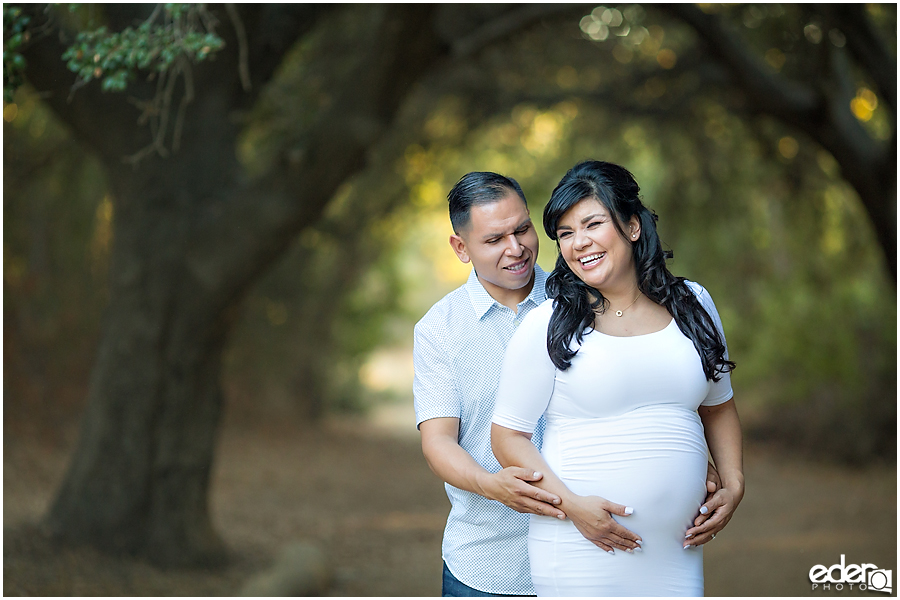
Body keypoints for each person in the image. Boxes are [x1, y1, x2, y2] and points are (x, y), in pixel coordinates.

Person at [413, 171, 722, 597]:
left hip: (615, 549)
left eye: (523, 229)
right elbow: (438, 443)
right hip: (492, 558)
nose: (516, 248)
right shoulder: (440, 329)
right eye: (494, 239)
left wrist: (682, 451)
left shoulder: (585, 294)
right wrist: (492, 483)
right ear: (460, 248)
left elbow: (648, 389)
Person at [491, 160, 744, 596]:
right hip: (580, 545)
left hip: (677, 551)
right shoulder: (549, 325)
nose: (579, 242)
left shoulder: (693, 303)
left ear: (631, 227)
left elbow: (719, 407)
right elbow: (507, 437)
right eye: (566, 233)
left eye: (592, 224)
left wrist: (735, 482)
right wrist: (573, 507)